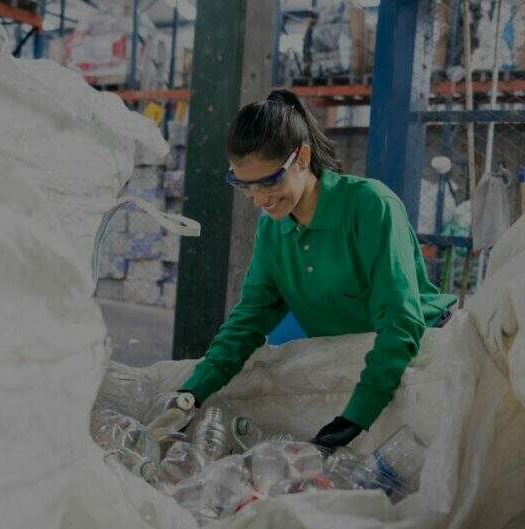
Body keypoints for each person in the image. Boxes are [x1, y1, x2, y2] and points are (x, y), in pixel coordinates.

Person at [178, 89, 457, 449]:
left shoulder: (370, 206)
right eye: (244, 185)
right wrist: (190, 394)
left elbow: (399, 321)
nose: (260, 200)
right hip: (352, 360)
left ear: (302, 158)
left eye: (269, 182)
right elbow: (246, 323)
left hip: (419, 358)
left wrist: (357, 414)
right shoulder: (273, 229)